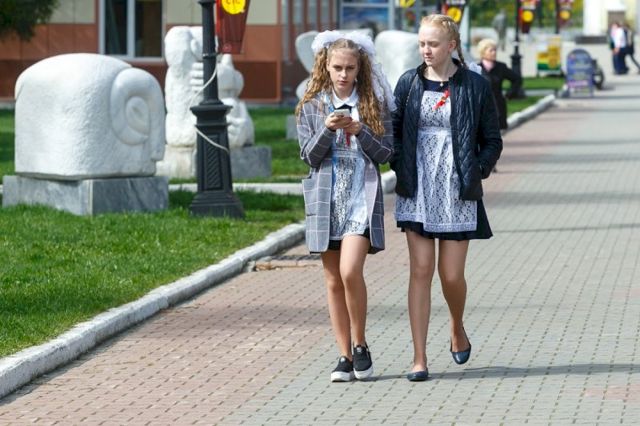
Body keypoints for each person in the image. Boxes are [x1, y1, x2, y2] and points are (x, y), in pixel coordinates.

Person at [390, 14, 502, 382]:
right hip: (417, 187)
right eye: (422, 43)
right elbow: (394, 131)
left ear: (451, 45)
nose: (426, 50)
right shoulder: (408, 83)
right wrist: (399, 164)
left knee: (451, 275)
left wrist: (476, 169)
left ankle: (456, 325)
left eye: (433, 44)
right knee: (420, 271)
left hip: (457, 191)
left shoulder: (475, 85)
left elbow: (492, 139)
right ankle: (419, 358)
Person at [296, 31, 394, 382]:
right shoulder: (312, 105)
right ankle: (344, 355)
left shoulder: (372, 103)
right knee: (333, 280)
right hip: (327, 200)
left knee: (351, 271)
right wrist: (326, 128)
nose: (343, 74)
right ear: (326, 66)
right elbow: (309, 157)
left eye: (350, 68)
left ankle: (360, 343)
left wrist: (360, 129)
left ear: (359, 68)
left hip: (360, 198)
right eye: (337, 67)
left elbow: (387, 153)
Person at [477, 38, 523, 131]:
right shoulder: (476, 68)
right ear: (483, 52)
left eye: (495, 50)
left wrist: (509, 94)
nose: (494, 52)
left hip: (497, 107)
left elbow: (517, 79)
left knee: (496, 136)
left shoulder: (501, 67)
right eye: (491, 50)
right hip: (480, 108)